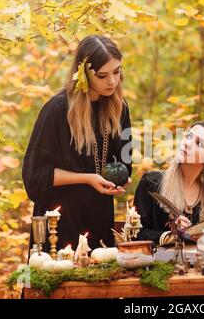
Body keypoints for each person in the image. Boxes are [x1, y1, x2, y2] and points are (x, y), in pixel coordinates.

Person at [22, 35, 132, 250]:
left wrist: (120, 176)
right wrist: (87, 178)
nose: (112, 81)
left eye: (116, 72)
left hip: (99, 214)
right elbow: (35, 176)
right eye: (102, 75)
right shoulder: (57, 110)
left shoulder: (120, 108)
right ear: (83, 73)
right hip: (60, 218)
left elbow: (125, 160)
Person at [133, 121, 204, 245]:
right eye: (188, 136)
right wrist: (170, 236)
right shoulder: (151, 182)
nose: (187, 144)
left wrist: (203, 237)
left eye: (199, 143)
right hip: (155, 263)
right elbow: (136, 234)